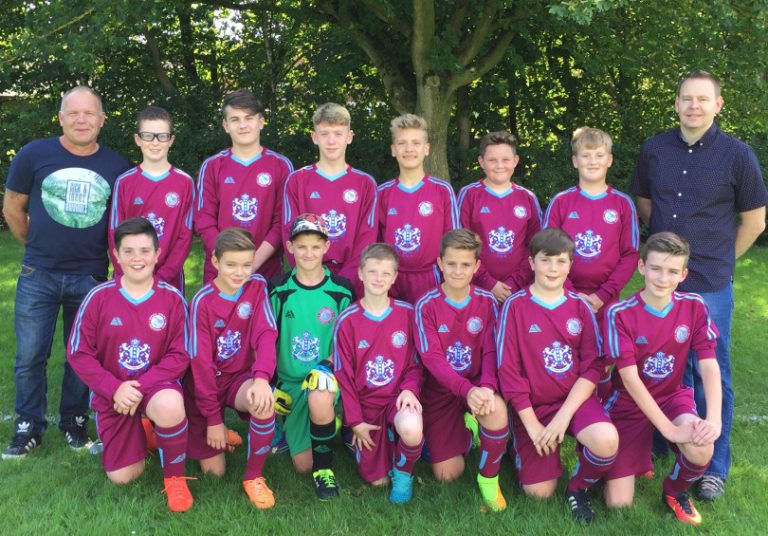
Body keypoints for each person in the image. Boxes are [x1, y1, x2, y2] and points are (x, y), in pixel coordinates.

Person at [631, 70, 768, 500]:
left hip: (709, 281)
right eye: (686, 98)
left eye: (702, 99)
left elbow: (755, 220)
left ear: (717, 105)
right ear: (675, 103)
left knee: (712, 371)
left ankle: (713, 464)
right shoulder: (655, 149)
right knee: (660, 366)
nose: (694, 106)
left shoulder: (737, 155)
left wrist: (724, 261)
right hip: (660, 284)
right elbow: (645, 202)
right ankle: (657, 445)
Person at [2, 86, 131, 458]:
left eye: (89, 113)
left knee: (82, 355)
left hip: (90, 276)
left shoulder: (116, 165)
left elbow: (118, 223)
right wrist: (35, 244)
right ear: (60, 118)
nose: (81, 120)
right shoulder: (33, 154)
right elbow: (13, 206)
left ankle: (74, 422)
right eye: (73, 113)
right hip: (37, 272)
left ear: (102, 120)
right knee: (30, 355)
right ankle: (27, 426)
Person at [67, 218, 194, 512]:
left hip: (154, 387)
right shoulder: (98, 298)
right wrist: (114, 389)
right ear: (116, 255)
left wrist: (138, 388)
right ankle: (149, 433)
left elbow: (180, 355)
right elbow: (79, 353)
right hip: (114, 393)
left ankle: (175, 479)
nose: (137, 259)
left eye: (145, 250)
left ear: (158, 254)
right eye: (129, 251)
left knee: (170, 405)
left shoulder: (172, 299)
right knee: (124, 477)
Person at [496, 228, 618, 523]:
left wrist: (563, 418)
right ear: (531, 263)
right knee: (538, 492)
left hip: (572, 403)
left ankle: (577, 489)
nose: (553, 269)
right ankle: (520, 446)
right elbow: (508, 373)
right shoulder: (515, 307)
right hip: (533, 408)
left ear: (571, 264)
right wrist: (534, 426)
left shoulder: (580, 307)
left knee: (606, 441)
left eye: (561, 261)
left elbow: (592, 366)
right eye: (546, 260)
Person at [603, 232, 721, 526]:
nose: (662, 278)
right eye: (655, 268)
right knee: (618, 504)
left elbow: (708, 366)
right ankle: (630, 455)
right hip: (628, 404)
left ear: (683, 274)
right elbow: (630, 379)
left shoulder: (694, 306)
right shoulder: (620, 313)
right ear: (642, 267)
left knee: (701, 446)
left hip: (670, 396)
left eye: (672, 271)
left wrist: (714, 420)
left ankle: (674, 491)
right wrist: (668, 430)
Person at [413, 229, 509, 512]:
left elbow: (492, 350)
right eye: (451, 264)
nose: (457, 270)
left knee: (497, 410)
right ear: (439, 263)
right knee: (446, 474)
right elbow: (432, 359)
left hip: (478, 384)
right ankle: (467, 433)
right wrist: (466, 392)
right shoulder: (425, 305)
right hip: (442, 391)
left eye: (465, 264)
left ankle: (489, 477)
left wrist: (487, 388)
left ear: (477, 267)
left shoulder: (488, 302)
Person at [185, 228, 281, 509]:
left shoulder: (257, 286)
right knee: (214, 473)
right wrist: (214, 419)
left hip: (239, 379)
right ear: (215, 262)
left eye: (246, 265)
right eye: (231, 265)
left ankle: (254, 477)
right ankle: (171, 430)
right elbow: (199, 365)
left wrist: (262, 379)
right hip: (204, 387)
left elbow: (266, 335)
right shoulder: (201, 302)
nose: (239, 272)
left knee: (263, 402)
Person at [544, 127, 639, 398]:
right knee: (566, 354)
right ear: (575, 160)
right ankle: (563, 412)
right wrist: (570, 292)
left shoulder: (622, 204)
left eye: (599, 155)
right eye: (586, 155)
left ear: (609, 159)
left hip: (605, 300)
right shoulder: (562, 202)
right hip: (563, 296)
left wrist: (601, 295)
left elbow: (630, 254)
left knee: (603, 359)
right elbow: (547, 251)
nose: (593, 161)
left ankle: (600, 417)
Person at [270, 214, 355, 499]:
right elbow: (266, 339)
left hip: (327, 376)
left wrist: (326, 365)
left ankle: (325, 470)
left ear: (326, 247)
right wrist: (269, 383)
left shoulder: (342, 291)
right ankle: (317, 425)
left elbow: (348, 341)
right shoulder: (278, 289)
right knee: (301, 465)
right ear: (290, 247)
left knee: (320, 393)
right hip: (291, 382)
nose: (309, 253)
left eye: (316, 246)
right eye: (301, 246)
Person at [333, 243, 424, 503]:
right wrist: (355, 420)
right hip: (366, 407)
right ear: (360, 273)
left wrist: (409, 388)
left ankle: (404, 473)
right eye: (372, 272)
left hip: (397, 399)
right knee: (376, 481)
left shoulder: (407, 313)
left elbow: (416, 363)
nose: (378, 279)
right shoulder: (347, 319)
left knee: (411, 427)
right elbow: (343, 376)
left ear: (395, 277)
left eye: (386, 274)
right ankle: (352, 436)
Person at [195, 89, 293, 284]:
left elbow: (282, 223)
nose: (242, 125)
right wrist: (230, 263)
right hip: (220, 271)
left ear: (261, 122)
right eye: (235, 119)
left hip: (265, 271)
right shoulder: (213, 166)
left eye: (249, 118)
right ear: (225, 125)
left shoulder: (281, 166)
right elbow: (204, 220)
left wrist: (250, 264)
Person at [282, 103, 377, 297]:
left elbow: (367, 239)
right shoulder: (297, 181)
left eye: (338, 133)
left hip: (353, 283)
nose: (331, 141)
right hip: (308, 281)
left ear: (349, 137)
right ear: (314, 137)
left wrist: (343, 281)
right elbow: (288, 231)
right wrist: (313, 277)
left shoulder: (365, 183)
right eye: (324, 134)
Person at [109, 106, 194, 292]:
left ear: (171, 140)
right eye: (148, 136)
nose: (155, 142)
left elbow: (185, 236)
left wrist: (163, 276)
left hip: (168, 280)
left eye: (162, 136)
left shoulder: (184, 182)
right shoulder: (124, 182)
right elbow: (114, 232)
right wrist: (127, 273)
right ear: (137, 139)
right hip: (129, 276)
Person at [377, 114, 458, 303]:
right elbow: (375, 244)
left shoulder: (442, 190)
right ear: (393, 150)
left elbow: (453, 240)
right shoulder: (382, 193)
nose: (409, 149)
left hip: (431, 277)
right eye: (402, 143)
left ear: (426, 149)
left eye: (416, 143)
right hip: (391, 279)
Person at [457, 131, 541, 303]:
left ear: (515, 161)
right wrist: (488, 282)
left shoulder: (527, 198)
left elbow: (535, 247)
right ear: (481, 162)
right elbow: (460, 245)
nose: (499, 165)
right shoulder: (468, 195)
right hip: (476, 287)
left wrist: (514, 283)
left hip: (518, 290)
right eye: (492, 160)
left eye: (505, 160)